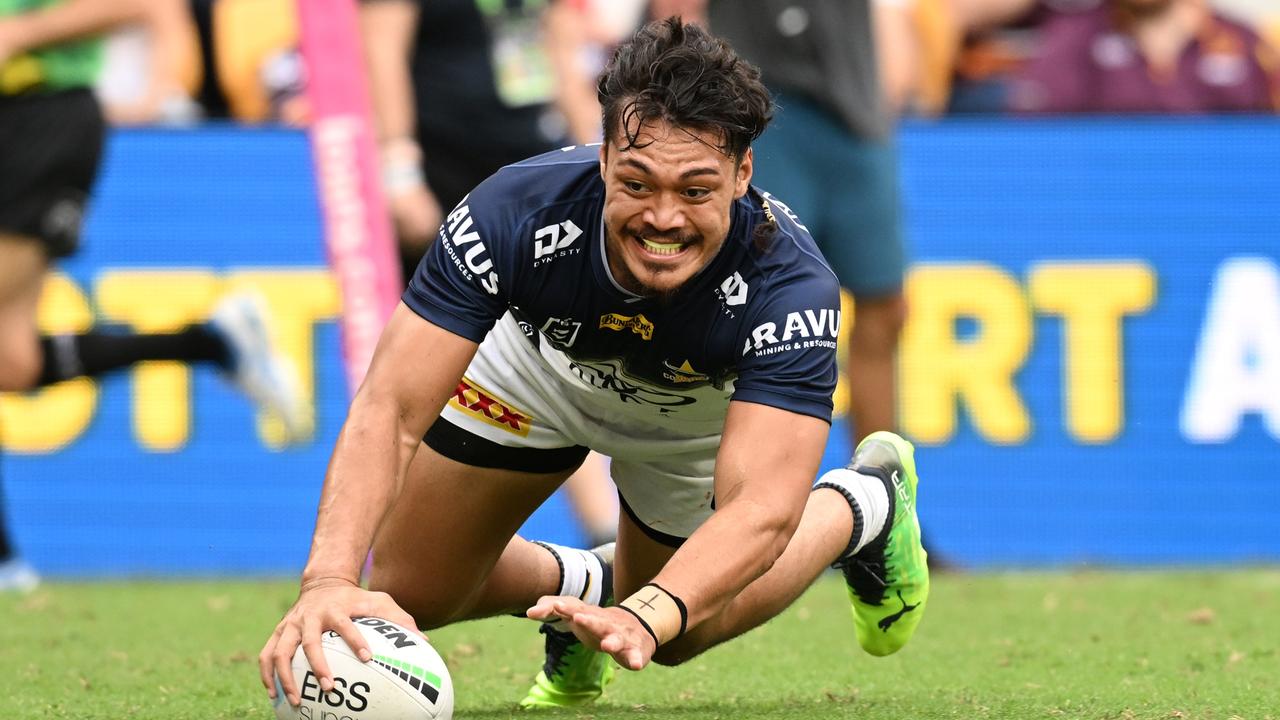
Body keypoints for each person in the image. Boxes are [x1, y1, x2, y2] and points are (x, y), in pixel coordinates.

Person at [258, 17, 929, 712]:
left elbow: (761, 509)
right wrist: (328, 580)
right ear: (603, 156)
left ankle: (862, 504)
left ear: (742, 173)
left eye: (695, 190)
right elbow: (390, 407)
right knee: (405, 591)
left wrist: (647, 615)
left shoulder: (789, 286)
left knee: (676, 635)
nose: (662, 218)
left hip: (688, 418)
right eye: (637, 183)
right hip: (540, 371)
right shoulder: (510, 211)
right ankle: (590, 584)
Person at [0, 0, 309, 592]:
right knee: (12, 361)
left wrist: (20, 33)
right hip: (18, 121)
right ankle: (205, 342)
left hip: (37, 118)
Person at [360, 0, 619, 545]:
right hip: (443, 165)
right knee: (428, 362)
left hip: (530, 166)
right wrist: (398, 168)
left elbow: (558, 50)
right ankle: (393, 535)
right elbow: (380, 48)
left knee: (564, 346)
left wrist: (602, 159)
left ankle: (603, 527)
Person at [1008, 0, 1280, 113]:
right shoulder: (1081, 33)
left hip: (1219, 201)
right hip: (1113, 195)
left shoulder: (1238, 39)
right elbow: (1033, 121)